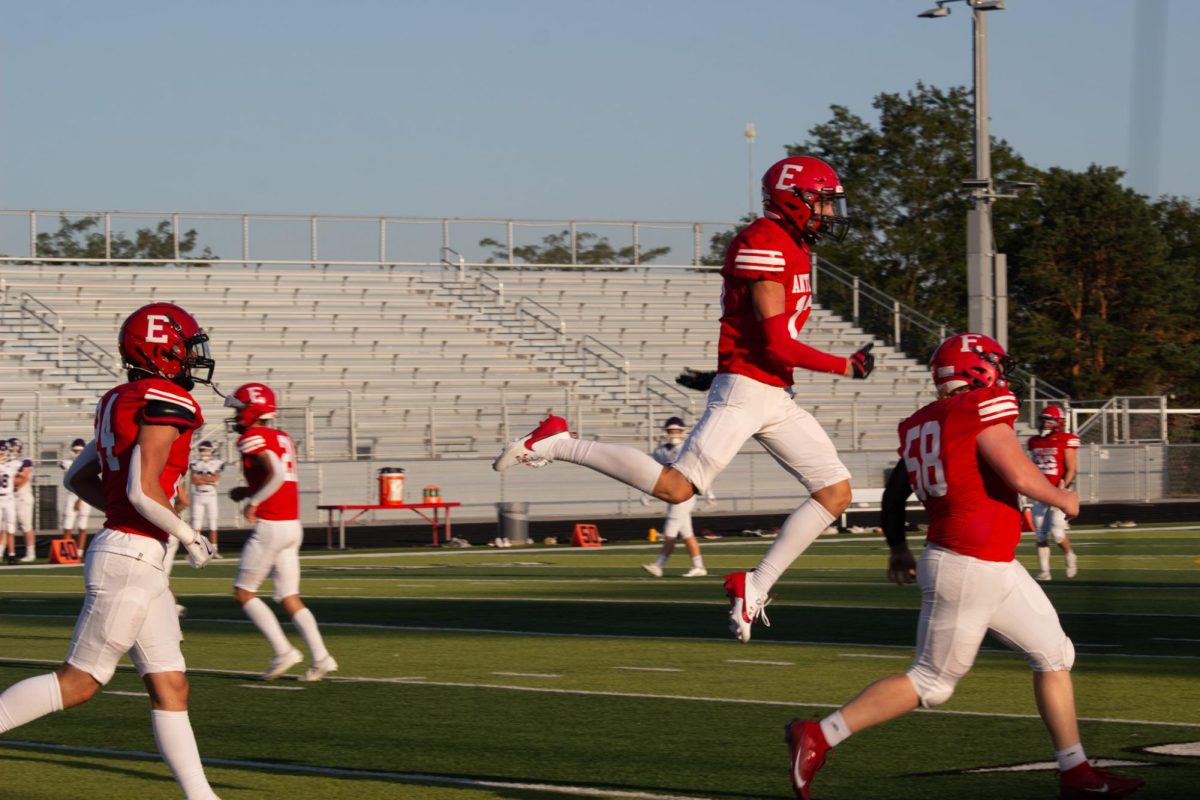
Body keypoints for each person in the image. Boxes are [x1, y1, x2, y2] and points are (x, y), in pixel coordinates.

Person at [495, 156, 875, 642]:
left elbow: (760, 342)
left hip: (771, 391)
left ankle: (754, 585)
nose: (829, 213)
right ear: (794, 199)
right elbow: (775, 342)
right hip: (750, 389)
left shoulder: (789, 244)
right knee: (676, 489)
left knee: (834, 492)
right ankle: (558, 441)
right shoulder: (764, 242)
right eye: (822, 201)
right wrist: (844, 366)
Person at [785, 333, 1143, 800]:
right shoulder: (980, 406)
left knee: (1055, 654)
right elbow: (1015, 470)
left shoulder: (922, 422)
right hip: (967, 562)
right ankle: (819, 734)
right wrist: (1061, 497)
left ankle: (1076, 772)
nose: (1001, 373)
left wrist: (897, 546)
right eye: (994, 363)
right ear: (977, 368)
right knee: (932, 682)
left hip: (989, 561)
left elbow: (896, 494)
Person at [0, 302, 222, 799]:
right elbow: (144, 490)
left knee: (171, 685)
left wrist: (130, 513)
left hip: (133, 551)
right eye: (185, 348)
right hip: (133, 556)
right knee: (80, 681)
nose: (192, 358)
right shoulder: (167, 398)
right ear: (162, 350)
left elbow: (79, 477)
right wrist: (187, 535)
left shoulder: (119, 398)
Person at [225, 382, 337, 682]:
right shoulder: (282, 437)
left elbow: (274, 473)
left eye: (239, 410)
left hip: (272, 524)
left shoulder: (252, 436)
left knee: (243, 592)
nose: (236, 416)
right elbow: (281, 477)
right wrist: (248, 489)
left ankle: (283, 651)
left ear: (253, 410)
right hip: (291, 524)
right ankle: (321, 657)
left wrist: (254, 501)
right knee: (289, 597)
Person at [642, 417, 709, 578]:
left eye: (677, 431)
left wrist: (708, 491)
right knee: (686, 533)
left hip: (685, 494)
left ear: (683, 432)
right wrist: (646, 492)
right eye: (671, 431)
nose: (674, 434)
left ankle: (659, 565)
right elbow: (655, 474)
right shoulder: (660, 451)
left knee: (670, 529)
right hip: (672, 494)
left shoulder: (687, 449)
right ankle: (699, 566)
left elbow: (699, 470)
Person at [1028, 404, 1080, 581]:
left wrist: (1063, 487)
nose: (1045, 424)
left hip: (1058, 491)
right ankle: (1044, 571)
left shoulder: (1065, 440)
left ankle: (1070, 555)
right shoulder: (1034, 441)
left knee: (1057, 534)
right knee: (1040, 534)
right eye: (1043, 420)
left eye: (1049, 421)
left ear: (1058, 423)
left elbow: (1071, 468)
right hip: (1040, 492)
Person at [189, 440, 224, 558]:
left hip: (211, 495)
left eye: (206, 450)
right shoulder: (195, 463)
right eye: (202, 450)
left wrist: (201, 478)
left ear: (211, 450)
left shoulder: (217, 463)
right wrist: (208, 479)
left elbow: (215, 478)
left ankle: (214, 550)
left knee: (213, 523)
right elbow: (194, 480)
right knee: (196, 524)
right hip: (198, 494)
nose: (204, 452)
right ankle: (197, 550)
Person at [59, 438, 93, 552]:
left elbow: (84, 482)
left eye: (79, 450)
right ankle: (67, 552)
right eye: (75, 450)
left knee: (82, 526)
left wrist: (80, 499)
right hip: (71, 495)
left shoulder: (86, 463)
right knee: (67, 526)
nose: (77, 453)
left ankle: (79, 552)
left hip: (84, 496)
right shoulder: (68, 462)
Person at [7, 438, 37, 562]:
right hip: (9, 497)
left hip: (22, 497)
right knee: (7, 526)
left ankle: (31, 553)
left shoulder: (25, 460)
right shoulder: (8, 461)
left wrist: (11, 480)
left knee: (26, 526)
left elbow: (23, 478)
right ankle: (8, 552)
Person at [0, 439, 16, 564]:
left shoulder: (12, 464)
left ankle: (11, 554)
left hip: (9, 498)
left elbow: (26, 465)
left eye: (3, 451)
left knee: (10, 528)